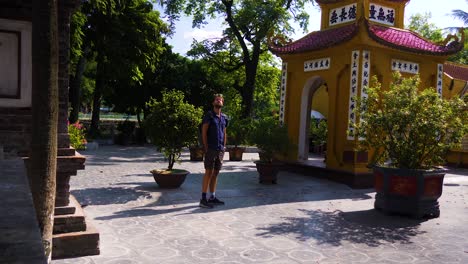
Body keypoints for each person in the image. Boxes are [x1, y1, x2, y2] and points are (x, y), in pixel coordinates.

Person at [199, 94, 228, 208]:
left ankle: (212, 196)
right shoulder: (209, 116)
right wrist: (205, 147)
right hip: (210, 148)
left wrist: (224, 147)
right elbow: (204, 132)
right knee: (208, 172)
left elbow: (224, 132)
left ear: (222, 103)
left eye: (220, 100)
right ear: (213, 103)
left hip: (220, 149)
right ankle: (203, 199)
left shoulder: (224, 117)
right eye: (217, 99)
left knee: (215, 173)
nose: (219, 101)